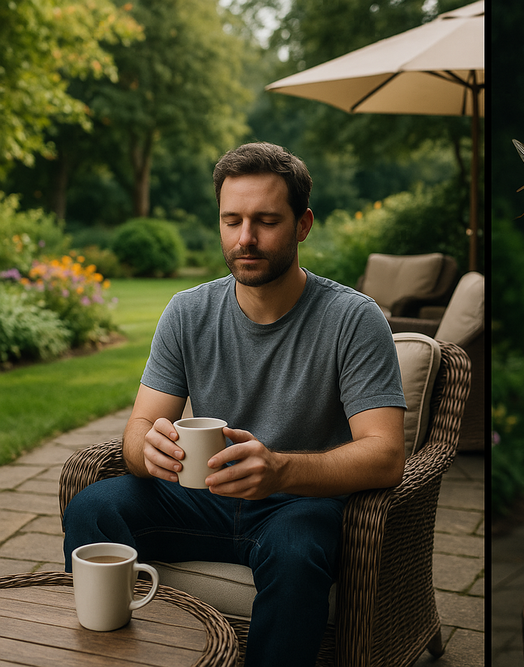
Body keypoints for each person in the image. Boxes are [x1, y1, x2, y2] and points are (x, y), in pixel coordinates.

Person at [62, 142, 407, 667]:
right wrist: (147, 451)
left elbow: (386, 455)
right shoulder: (188, 312)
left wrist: (281, 470)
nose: (245, 238)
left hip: (297, 501)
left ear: (303, 225)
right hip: (201, 496)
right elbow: (140, 425)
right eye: (232, 221)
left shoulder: (354, 319)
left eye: (266, 221)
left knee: (296, 554)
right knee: (91, 508)